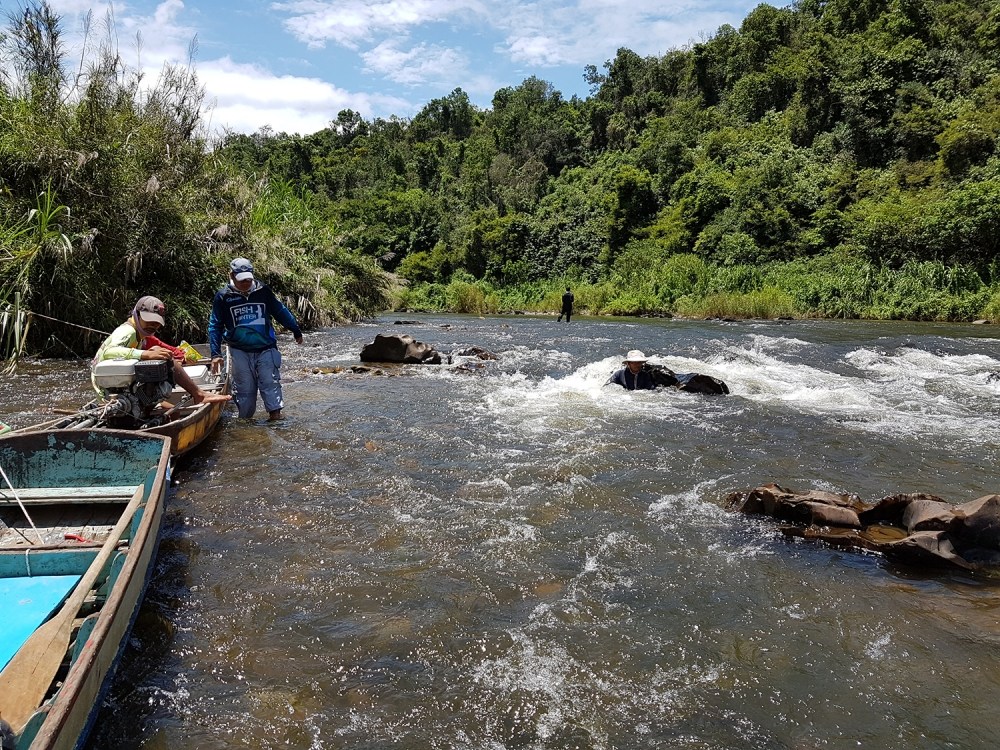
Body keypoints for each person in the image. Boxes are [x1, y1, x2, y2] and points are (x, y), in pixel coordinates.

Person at [208, 257, 304, 421]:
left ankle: (275, 421)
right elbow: (215, 325)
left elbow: (280, 311)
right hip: (239, 350)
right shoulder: (223, 296)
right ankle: (246, 425)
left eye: (248, 279)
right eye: (241, 280)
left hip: (266, 348)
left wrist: (295, 329)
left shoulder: (263, 291)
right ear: (231, 275)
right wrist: (215, 353)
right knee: (245, 391)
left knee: (270, 384)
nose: (245, 283)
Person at [91, 296, 232, 406]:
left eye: (157, 322)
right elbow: (109, 351)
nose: (153, 326)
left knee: (172, 411)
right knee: (161, 355)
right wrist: (145, 354)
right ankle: (198, 394)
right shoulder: (128, 332)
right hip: (109, 393)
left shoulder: (141, 335)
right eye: (149, 321)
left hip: (124, 388)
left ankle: (195, 395)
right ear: (136, 315)